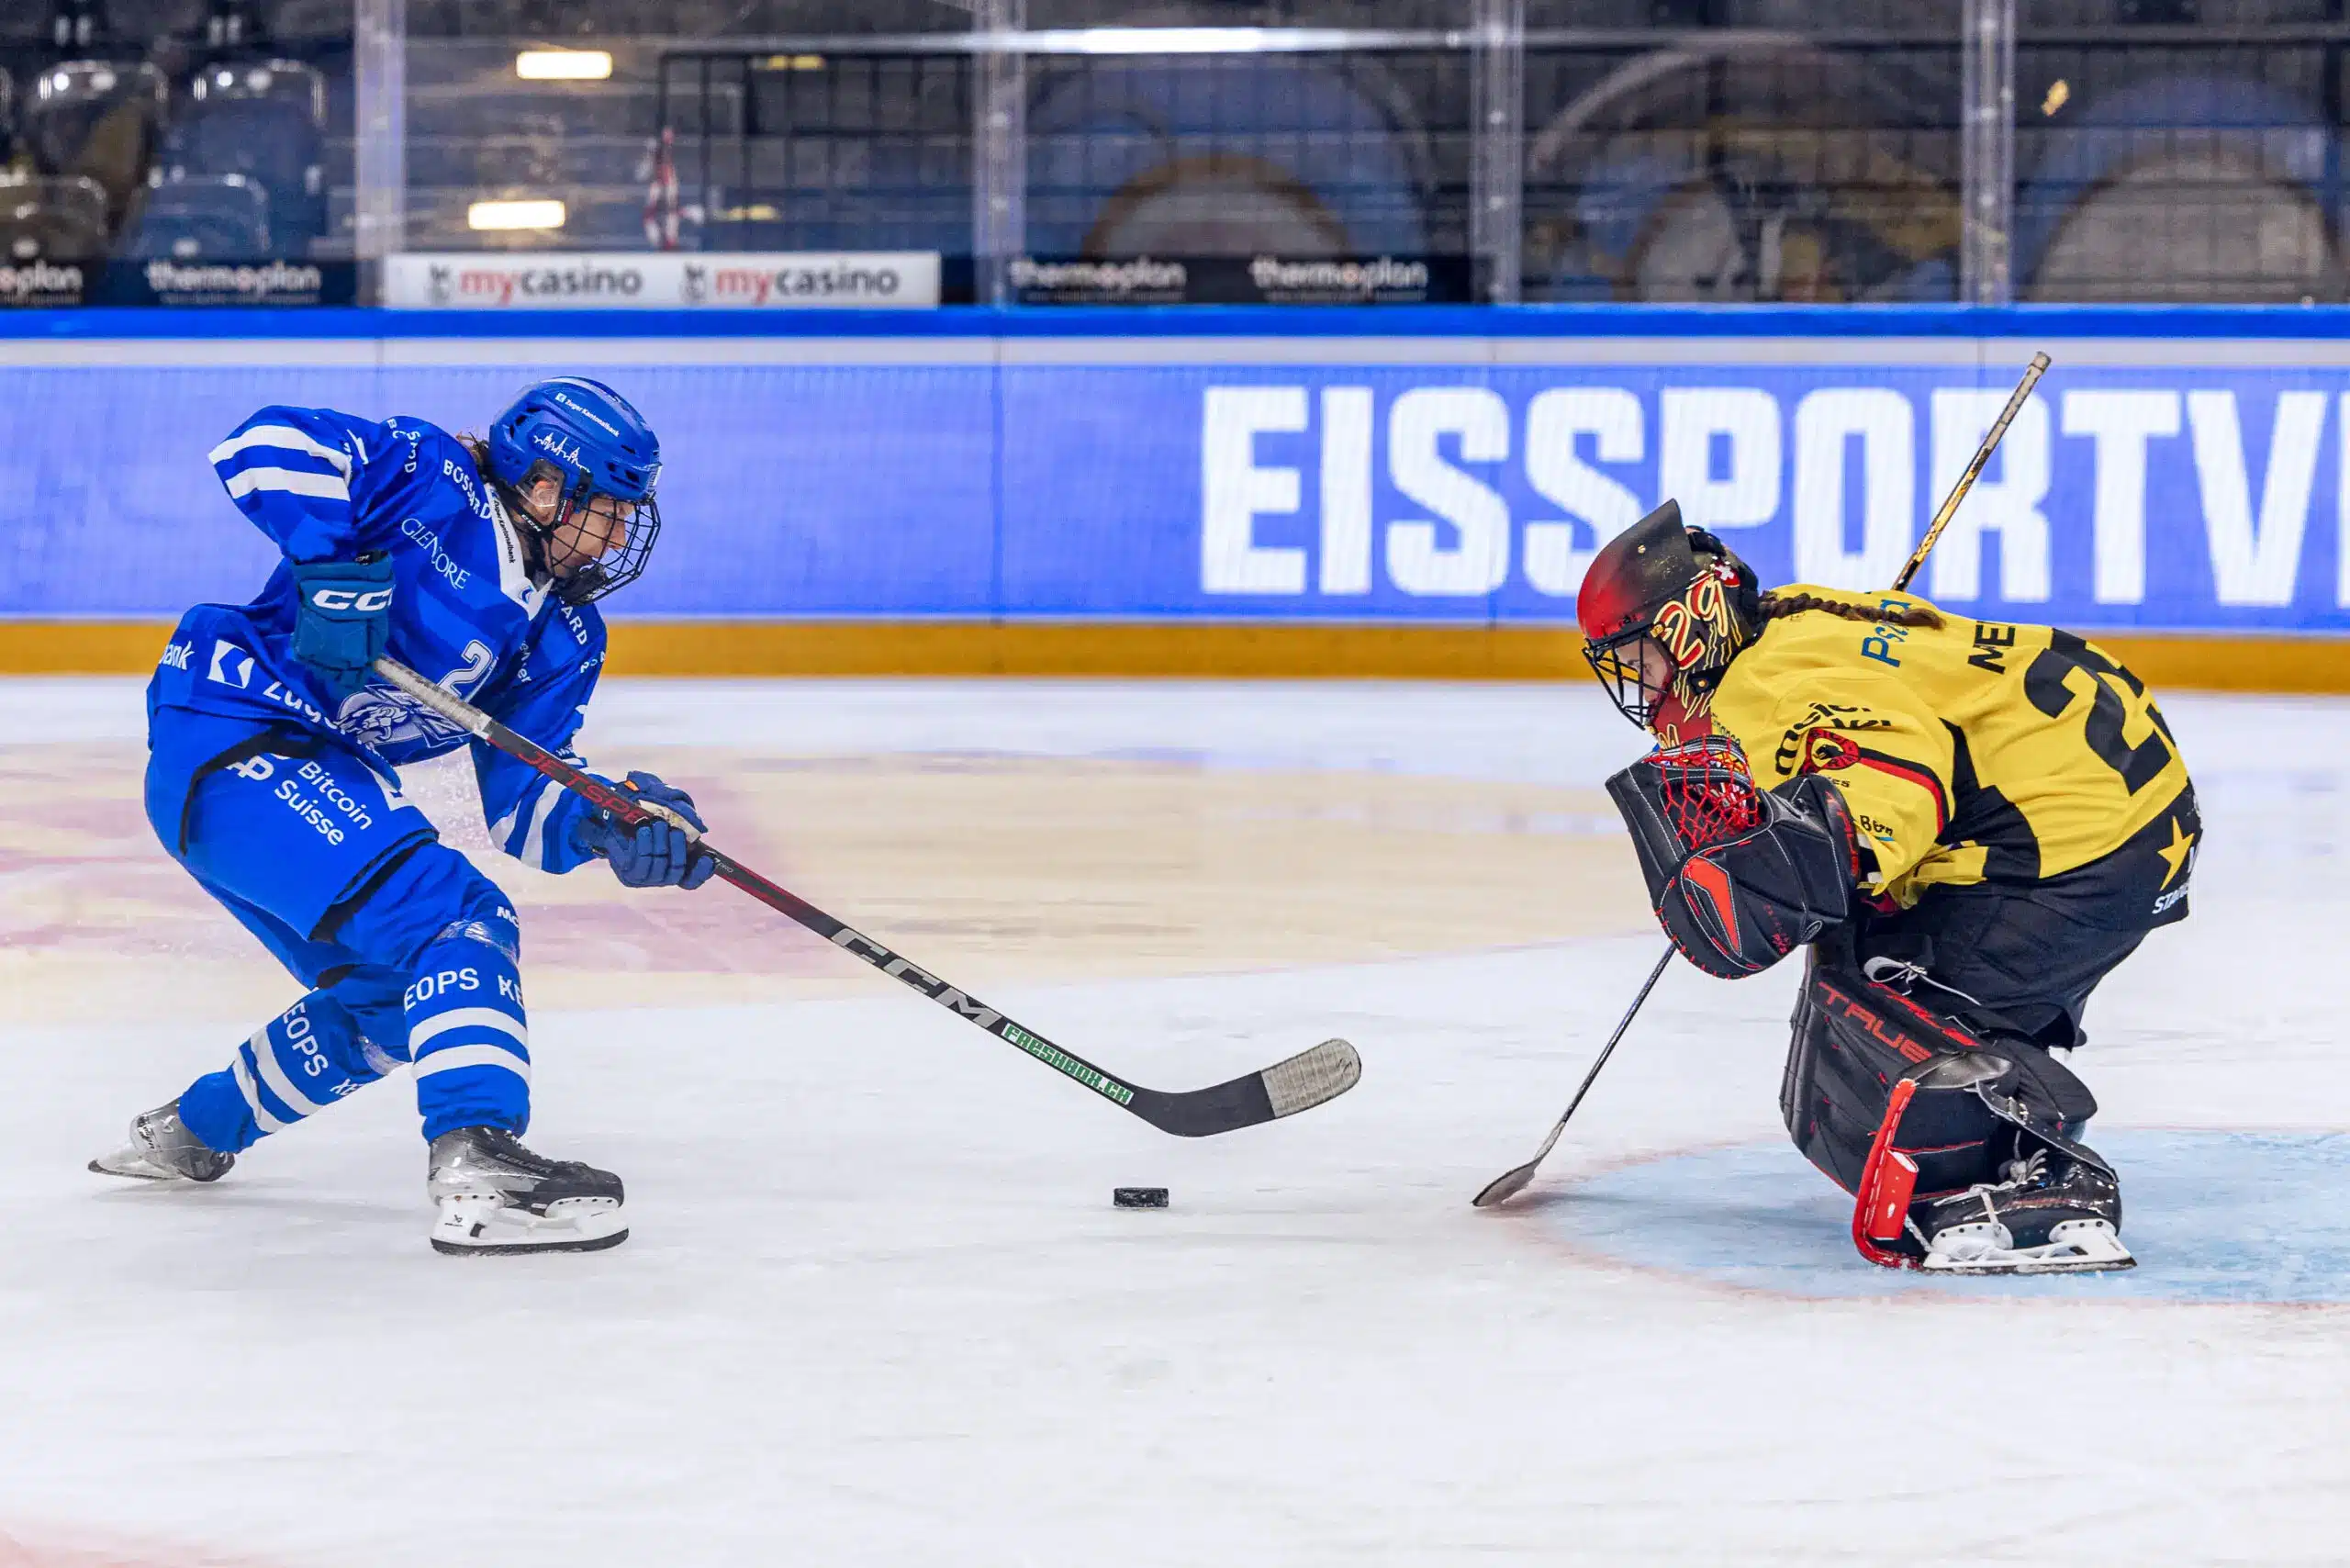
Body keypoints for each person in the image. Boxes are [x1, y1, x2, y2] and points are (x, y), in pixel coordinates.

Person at [91, 378, 717, 1256]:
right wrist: (329, 567)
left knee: (393, 1002)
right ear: (544, 486)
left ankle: (193, 1131)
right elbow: (264, 442)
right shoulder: (430, 477)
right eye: (606, 510)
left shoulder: (565, 634)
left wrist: (612, 825)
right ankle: (479, 1157)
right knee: (458, 917)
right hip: (234, 731)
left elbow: (518, 794)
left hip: (299, 774)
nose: (619, 535)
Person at [1577, 500, 2198, 1273]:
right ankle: (1989, 1048)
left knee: (1882, 981)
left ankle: (2050, 1167)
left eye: (1641, 656)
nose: (1641, 682)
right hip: (2111, 810)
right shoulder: (1790, 625)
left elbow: (1899, 785)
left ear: (1692, 622)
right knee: (1870, 931)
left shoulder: (1768, 688)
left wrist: (1831, 845)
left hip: (2079, 846)